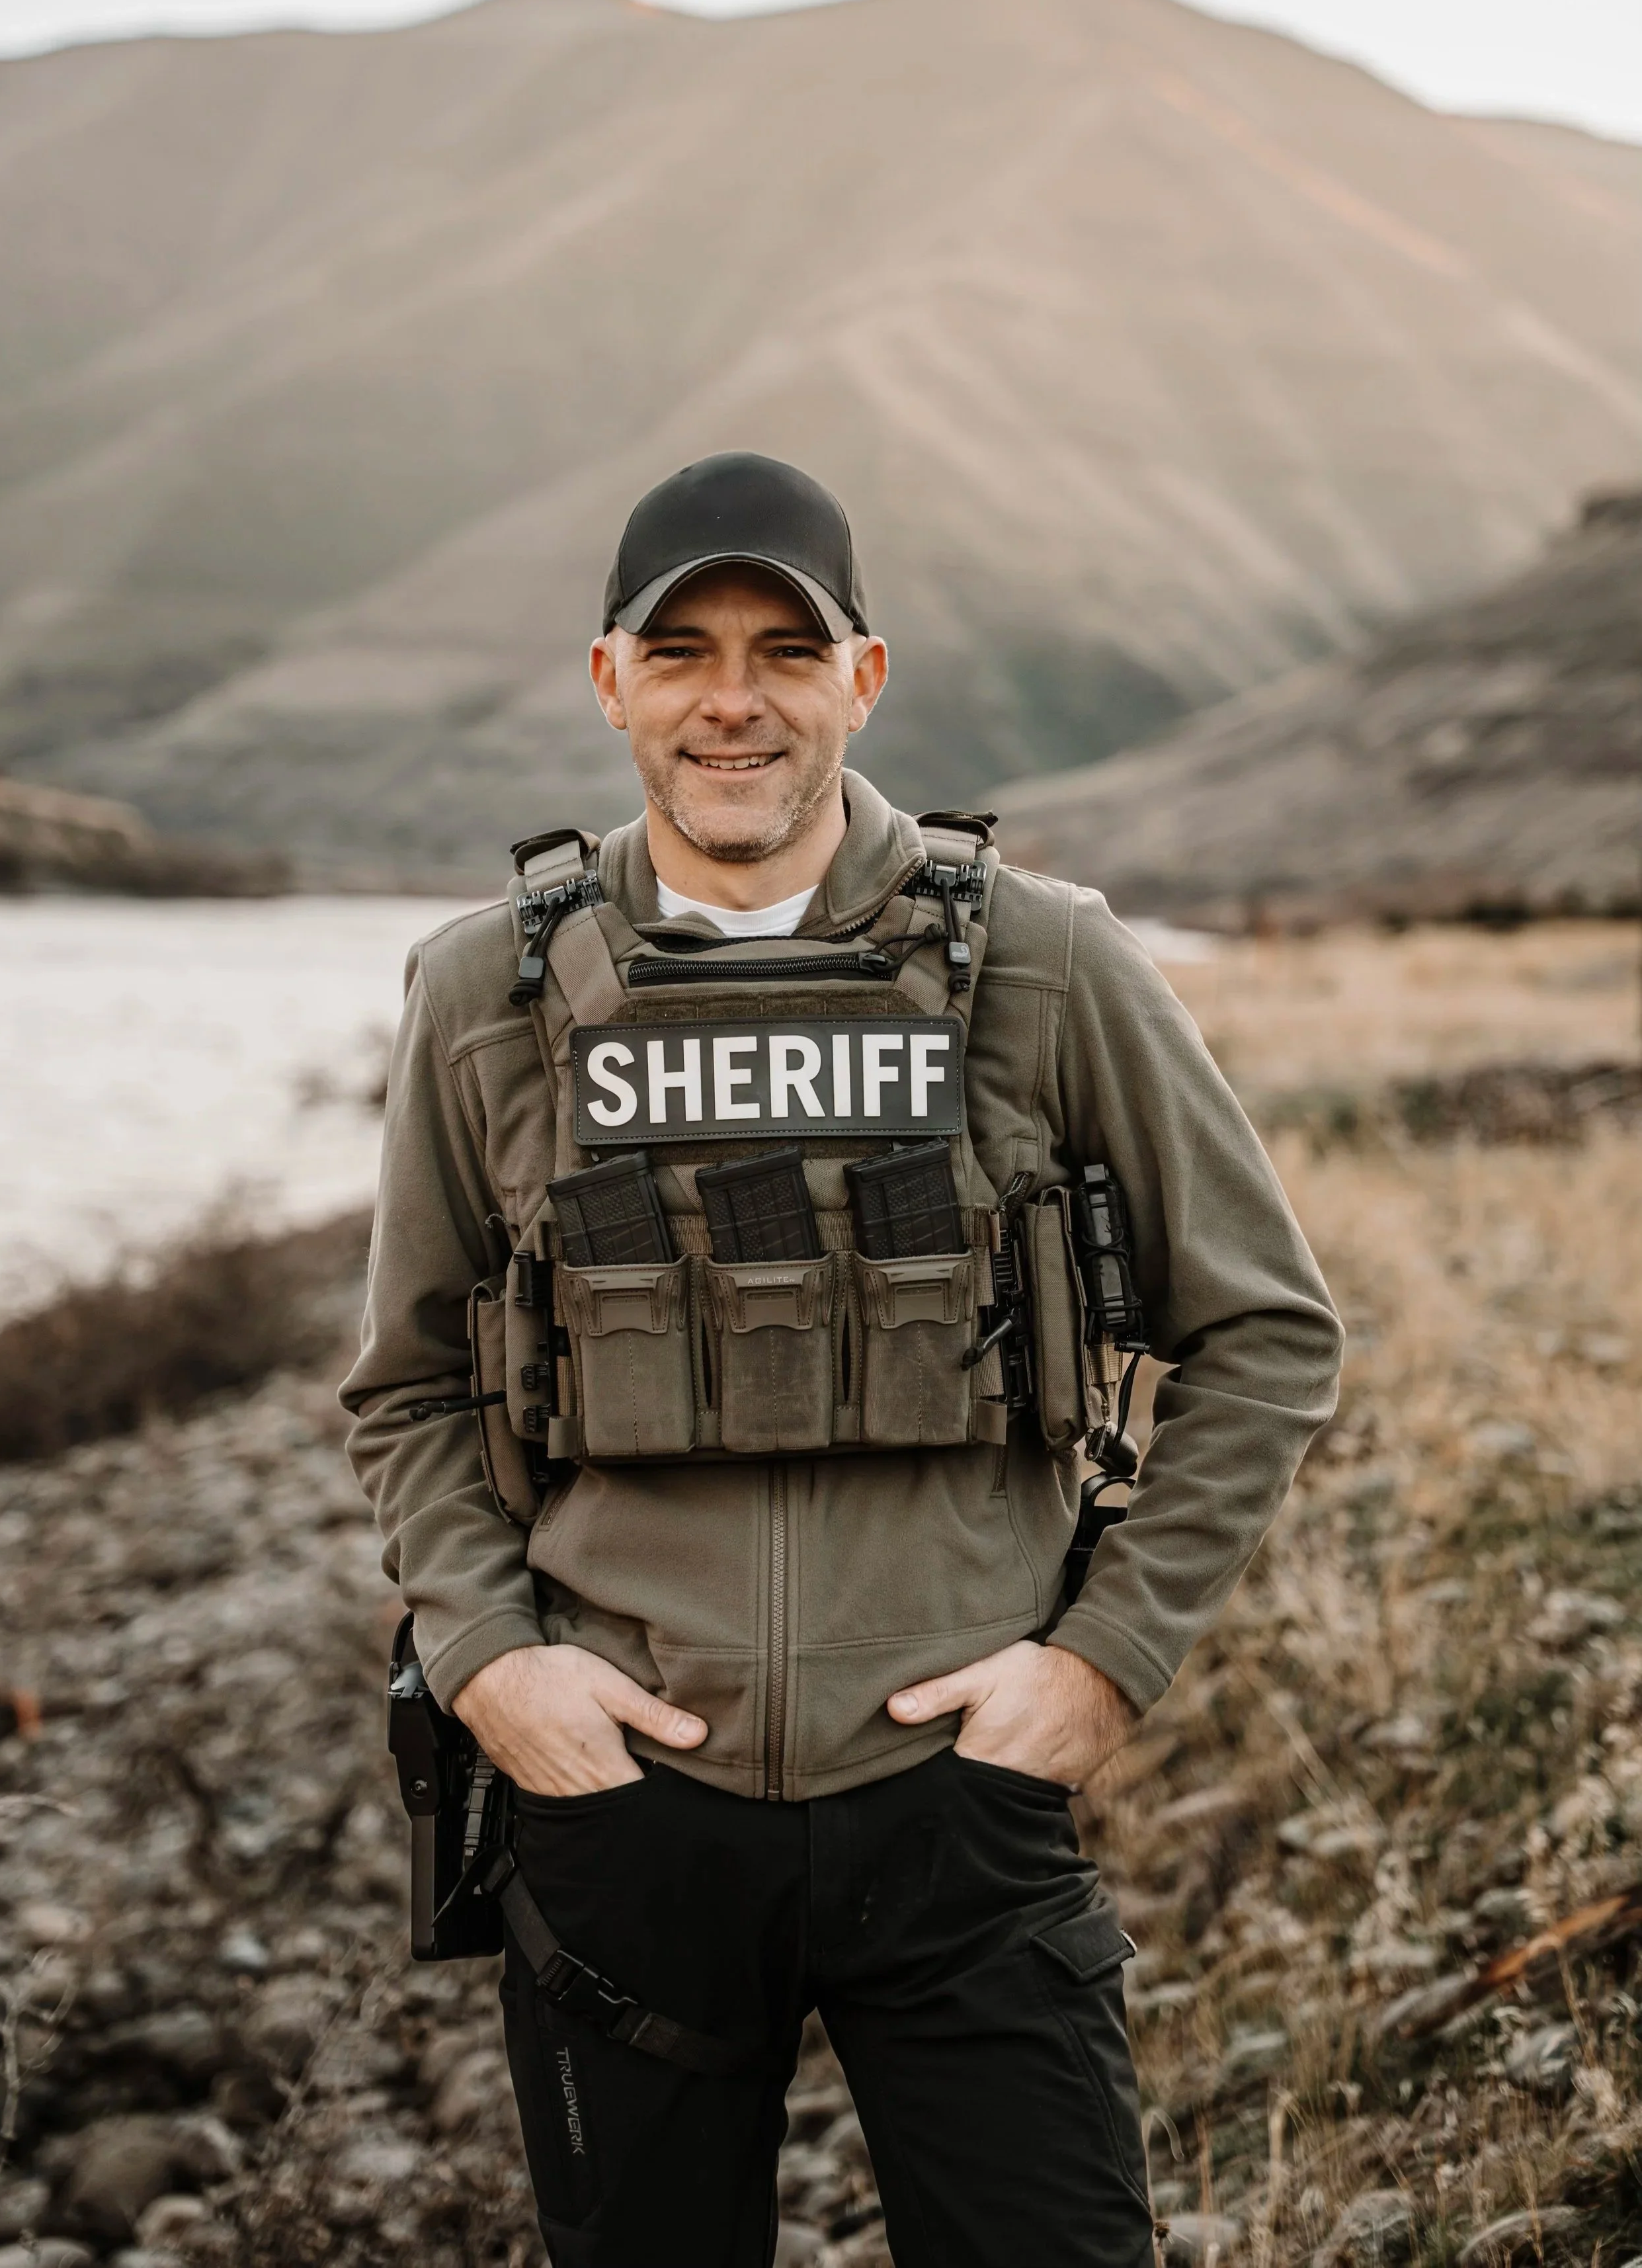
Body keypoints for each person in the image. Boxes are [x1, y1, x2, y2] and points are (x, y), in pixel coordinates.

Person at [343, 450, 1342, 2268]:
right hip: (622, 1814)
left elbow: (1267, 1332)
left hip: (958, 1814)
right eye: (685, 651)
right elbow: (408, 1383)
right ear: (609, 680)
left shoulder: (1046, 962)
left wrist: (1102, 1665)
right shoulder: (478, 987)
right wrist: (493, 1666)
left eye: (785, 649)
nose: (734, 699)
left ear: (861, 677)